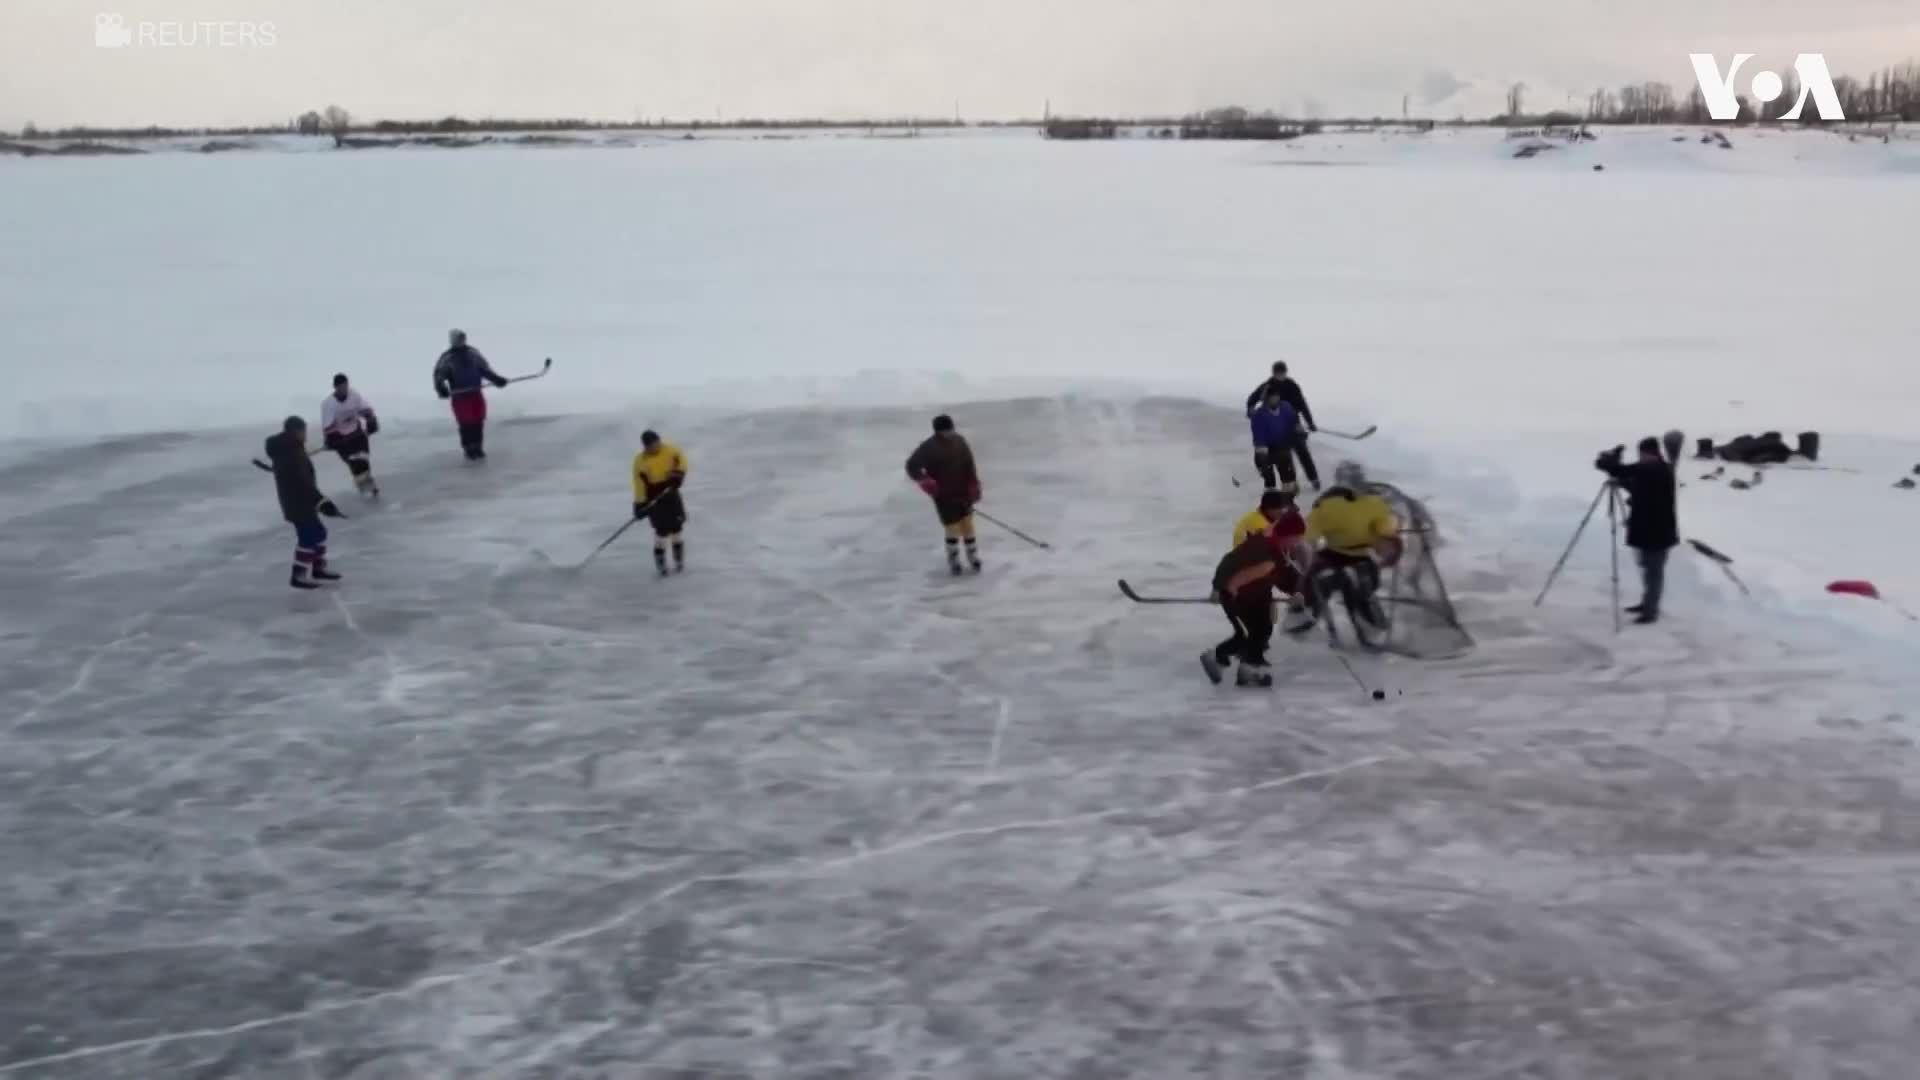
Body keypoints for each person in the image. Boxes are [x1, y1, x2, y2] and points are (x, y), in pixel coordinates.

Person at [1299, 461, 1402, 633]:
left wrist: (1307, 551)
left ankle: (1304, 616)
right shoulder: (1375, 503)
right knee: (1363, 588)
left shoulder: (1326, 505)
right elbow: (1385, 531)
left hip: (1336, 556)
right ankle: (1371, 622)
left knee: (1314, 584)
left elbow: (1308, 536)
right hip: (1357, 557)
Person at [1203, 524, 1304, 688]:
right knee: (1245, 634)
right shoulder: (1258, 546)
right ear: (1285, 536)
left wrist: (1296, 593)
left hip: (1259, 597)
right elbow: (1228, 562)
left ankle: (1248, 670)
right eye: (1295, 538)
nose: (1298, 542)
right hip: (1235, 596)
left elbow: (1285, 575)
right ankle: (1217, 656)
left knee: (1263, 631)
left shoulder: (1281, 552)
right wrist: (1217, 587)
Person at [1595, 437, 1679, 624]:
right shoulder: (1652, 471)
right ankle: (1647, 603)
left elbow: (1634, 472)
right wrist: (1618, 475)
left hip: (1658, 532)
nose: (1641, 458)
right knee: (1648, 569)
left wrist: (1613, 465)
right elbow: (1637, 485)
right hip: (1649, 529)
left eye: (1643, 454)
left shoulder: (1659, 469)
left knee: (1654, 572)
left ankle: (1651, 611)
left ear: (1651, 453)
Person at [265, 416, 344, 590]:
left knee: (319, 532)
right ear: (296, 431)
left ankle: (318, 568)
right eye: (303, 431)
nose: (306, 436)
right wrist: (322, 501)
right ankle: (298, 576)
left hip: (301, 500)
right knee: (309, 536)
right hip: (297, 502)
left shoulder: (290, 449)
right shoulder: (291, 451)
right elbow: (302, 481)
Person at [904, 414, 983, 574]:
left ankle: (972, 555)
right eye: (945, 431)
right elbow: (912, 465)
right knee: (952, 526)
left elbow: (969, 463)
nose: (950, 433)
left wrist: (974, 483)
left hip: (963, 490)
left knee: (967, 523)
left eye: (951, 429)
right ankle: (953, 558)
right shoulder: (928, 447)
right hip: (943, 494)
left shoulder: (960, 441)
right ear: (937, 432)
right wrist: (925, 480)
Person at [432, 328, 509, 460]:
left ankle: (478, 446)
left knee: (478, 420)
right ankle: (468, 447)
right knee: (466, 423)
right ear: (453, 341)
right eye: (458, 339)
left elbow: (485, 370)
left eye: (463, 338)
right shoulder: (447, 358)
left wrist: (497, 379)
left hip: (475, 394)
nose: (461, 341)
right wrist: (441, 388)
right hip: (460, 397)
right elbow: (439, 375)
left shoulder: (473, 353)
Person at [1245, 360, 1320, 489]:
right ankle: (1292, 482)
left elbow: (1302, 404)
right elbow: (1252, 399)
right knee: (1284, 455)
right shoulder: (1267, 386)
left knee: (1302, 451)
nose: (1280, 375)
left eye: (1282, 373)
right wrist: (1251, 408)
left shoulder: (1292, 385)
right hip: (1276, 427)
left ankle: (1313, 478)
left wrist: (1310, 422)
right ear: (1273, 373)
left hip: (1292, 424)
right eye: (1278, 373)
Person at [631, 430, 689, 575]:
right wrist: (639, 504)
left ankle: (679, 561)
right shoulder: (640, 461)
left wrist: (678, 475)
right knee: (661, 531)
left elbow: (683, 462)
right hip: (654, 497)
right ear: (645, 446)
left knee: (677, 527)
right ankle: (661, 564)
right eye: (649, 446)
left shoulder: (670, 451)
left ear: (659, 440)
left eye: (656, 443)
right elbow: (639, 484)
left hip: (671, 493)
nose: (654, 447)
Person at [320, 373, 380, 496]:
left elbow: (366, 409)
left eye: (345, 386)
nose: (344, 390)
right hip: (341, 438)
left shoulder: (354, 395)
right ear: (335, 388)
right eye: (341, 387)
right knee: (354, 463)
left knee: (362, 459)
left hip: (357, 433)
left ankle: (370, 487)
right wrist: (333, 440)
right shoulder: (328, 404)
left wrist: (370, 420)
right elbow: (328, 428)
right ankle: (364, 489)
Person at [1247, 388, 1300, 492]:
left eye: (1277, 397)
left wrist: (1298, 428)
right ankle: (1270, 489)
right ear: (1266, 400)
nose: (1275, 400)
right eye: (1272, 398)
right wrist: (1262, 450)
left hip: (1283, 447)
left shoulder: (1286, 407)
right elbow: (1259, 437)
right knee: (1265, 467)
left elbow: (1294, 421)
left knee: (1288, 476)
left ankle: (1289, 486)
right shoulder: (1259, 415)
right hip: (1266, 450)